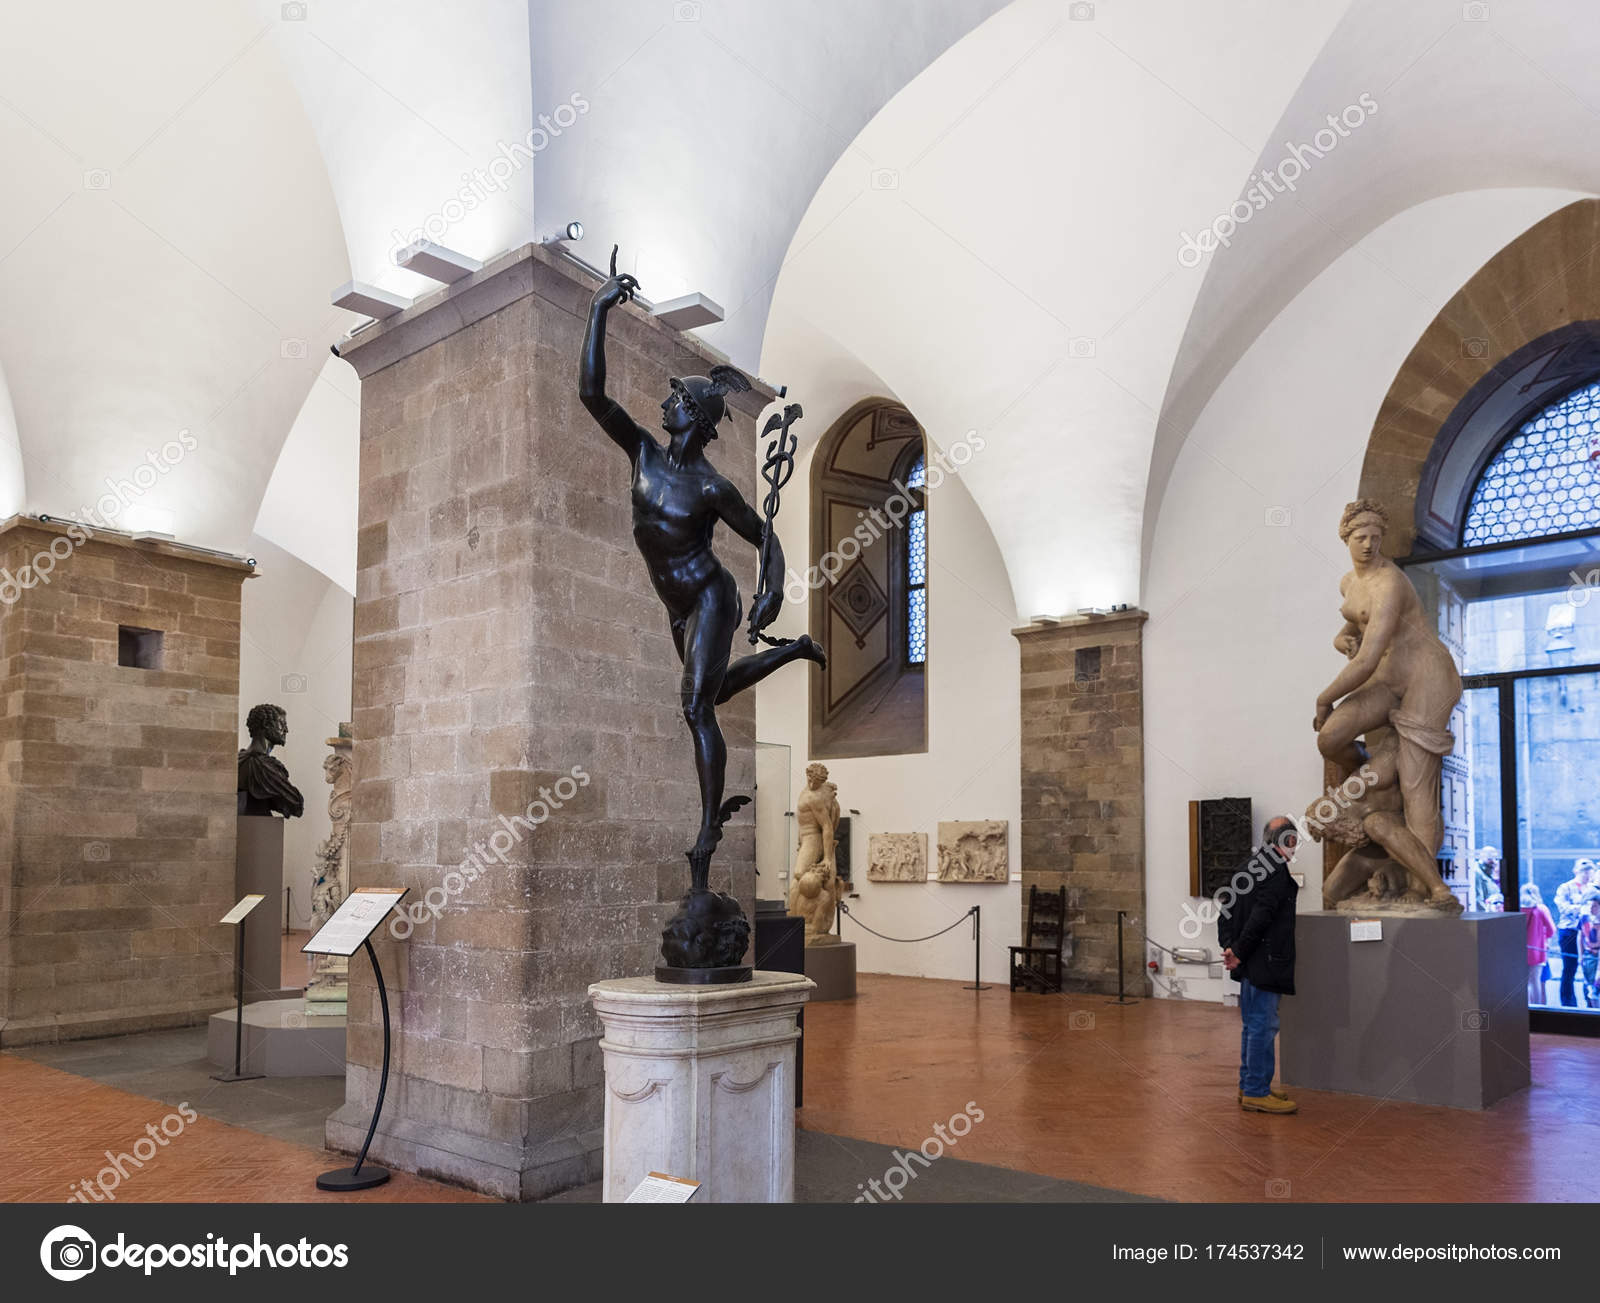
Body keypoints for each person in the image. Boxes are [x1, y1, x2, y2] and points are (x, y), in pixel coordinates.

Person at [1217, 815, 1300, 1115]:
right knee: (1263, 1026)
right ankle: (1256, 1091)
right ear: (1285, 840)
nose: (1295, 846)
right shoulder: (1275, 872)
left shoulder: (1248, 866)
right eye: (1293, 840)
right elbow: (1261, 917)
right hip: (1265, 961)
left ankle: (1250, 1084)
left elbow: (1225, 908)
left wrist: (1228, 946)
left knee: (1253, 1025)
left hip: (1250, 961)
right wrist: (1237, 950)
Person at [1553, 859, 1596, 1008]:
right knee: (1569, 968)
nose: (1587, 873)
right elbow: (1563, 907)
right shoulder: (1565, 887)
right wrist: (1583, 908)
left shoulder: (1594, 888)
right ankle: (1568, 1004)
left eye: (1589, 870)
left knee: (1590, 968)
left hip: (1590, 932)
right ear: (1575, 870)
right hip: (1569, 931)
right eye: (1583, 870)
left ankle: (1590, 1002)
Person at [1520, 882, 1556, 1007]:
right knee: (1535, 981)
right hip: (1537, 950)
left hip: (1518, 950)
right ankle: (1537, 1009)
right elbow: (1551, 930)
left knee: (1522, 983)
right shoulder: (1541, 909)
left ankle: (1524, 1009)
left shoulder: (1517, 908)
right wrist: (1543, 937)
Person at [1581, 898, 1600, 1009]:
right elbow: (1580, 937)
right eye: (1589, 906)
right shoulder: (1585, 919)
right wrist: (1581, 956)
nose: (1590, 909)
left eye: (1594, 906)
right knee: (1591, 990)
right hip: (1589, 959)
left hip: (1597, 961)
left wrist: (1598, 970)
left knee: (1594, 991)